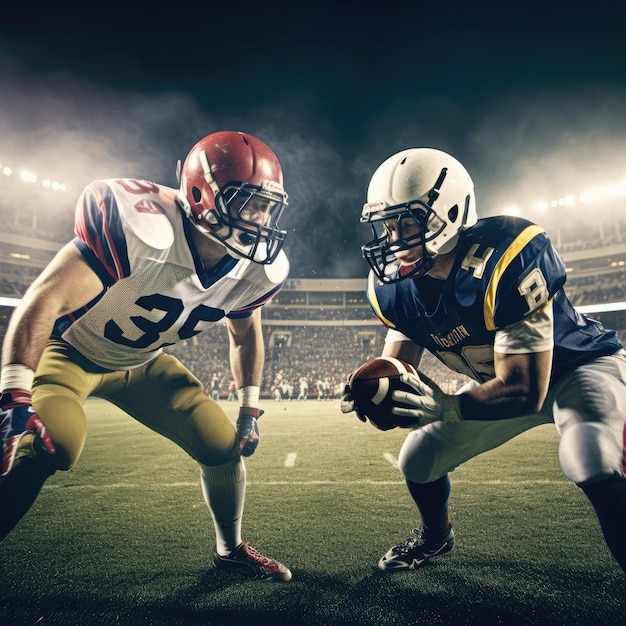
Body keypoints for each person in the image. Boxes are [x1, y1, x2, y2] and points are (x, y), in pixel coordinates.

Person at [0, 130, 292, 581]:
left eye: (266, 207)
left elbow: (246, 333)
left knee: (221, 444)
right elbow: (44, 299)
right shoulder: (144, 226)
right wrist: (15, 394)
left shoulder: (256, 269)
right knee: (55, 442)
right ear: (201, 195)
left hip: (142, 363)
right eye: (246, 203)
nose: (258, 219)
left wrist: (250, 407)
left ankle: (229, 550)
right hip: (72, 353)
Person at [342, 147, 626, 575]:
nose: (394, 239)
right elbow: (400, 369)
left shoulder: (505, 258)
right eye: (387, 224)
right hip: (498, 382)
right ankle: (436, 538)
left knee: (589, 454)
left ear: (448, 213)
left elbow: (526, 390)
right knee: (418, 459)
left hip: (578, 368)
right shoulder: (396, 289)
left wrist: (448, 406)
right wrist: (373, 390)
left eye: (407, 222)